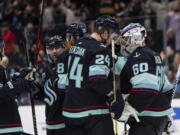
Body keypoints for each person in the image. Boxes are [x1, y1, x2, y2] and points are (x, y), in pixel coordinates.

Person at [111, 23, 174, 135]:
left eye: (125, 39)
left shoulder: (140, 57)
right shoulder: (153, 54)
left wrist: (126, 111)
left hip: (146, 120)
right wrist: (165, 115)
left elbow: (146, 89)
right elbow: (167, 89)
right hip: (156, 118)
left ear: (135, 38)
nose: (123, 44)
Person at [62, 15, 118, 135]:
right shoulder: (100, 50)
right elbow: (97, 80)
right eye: (113, 34)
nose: (113, 38)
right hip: (92, 112)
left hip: (70, 112)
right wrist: (114, 95)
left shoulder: (76, 46)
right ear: (105, 32)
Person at [0, 40, 33, 135]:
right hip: (5, 127)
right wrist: (22, 82)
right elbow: (2, 93)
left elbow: (7, 89)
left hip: (10, 127)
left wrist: (19, 76)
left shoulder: (2, 69)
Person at [43, 35, 68, 135]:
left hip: (66, 123)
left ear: (64, 48)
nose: (54, 51)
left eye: (57, 47)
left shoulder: (70, 66)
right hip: (50, 122)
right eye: (51, 48)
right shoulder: (47, 70)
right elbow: (48, 97)